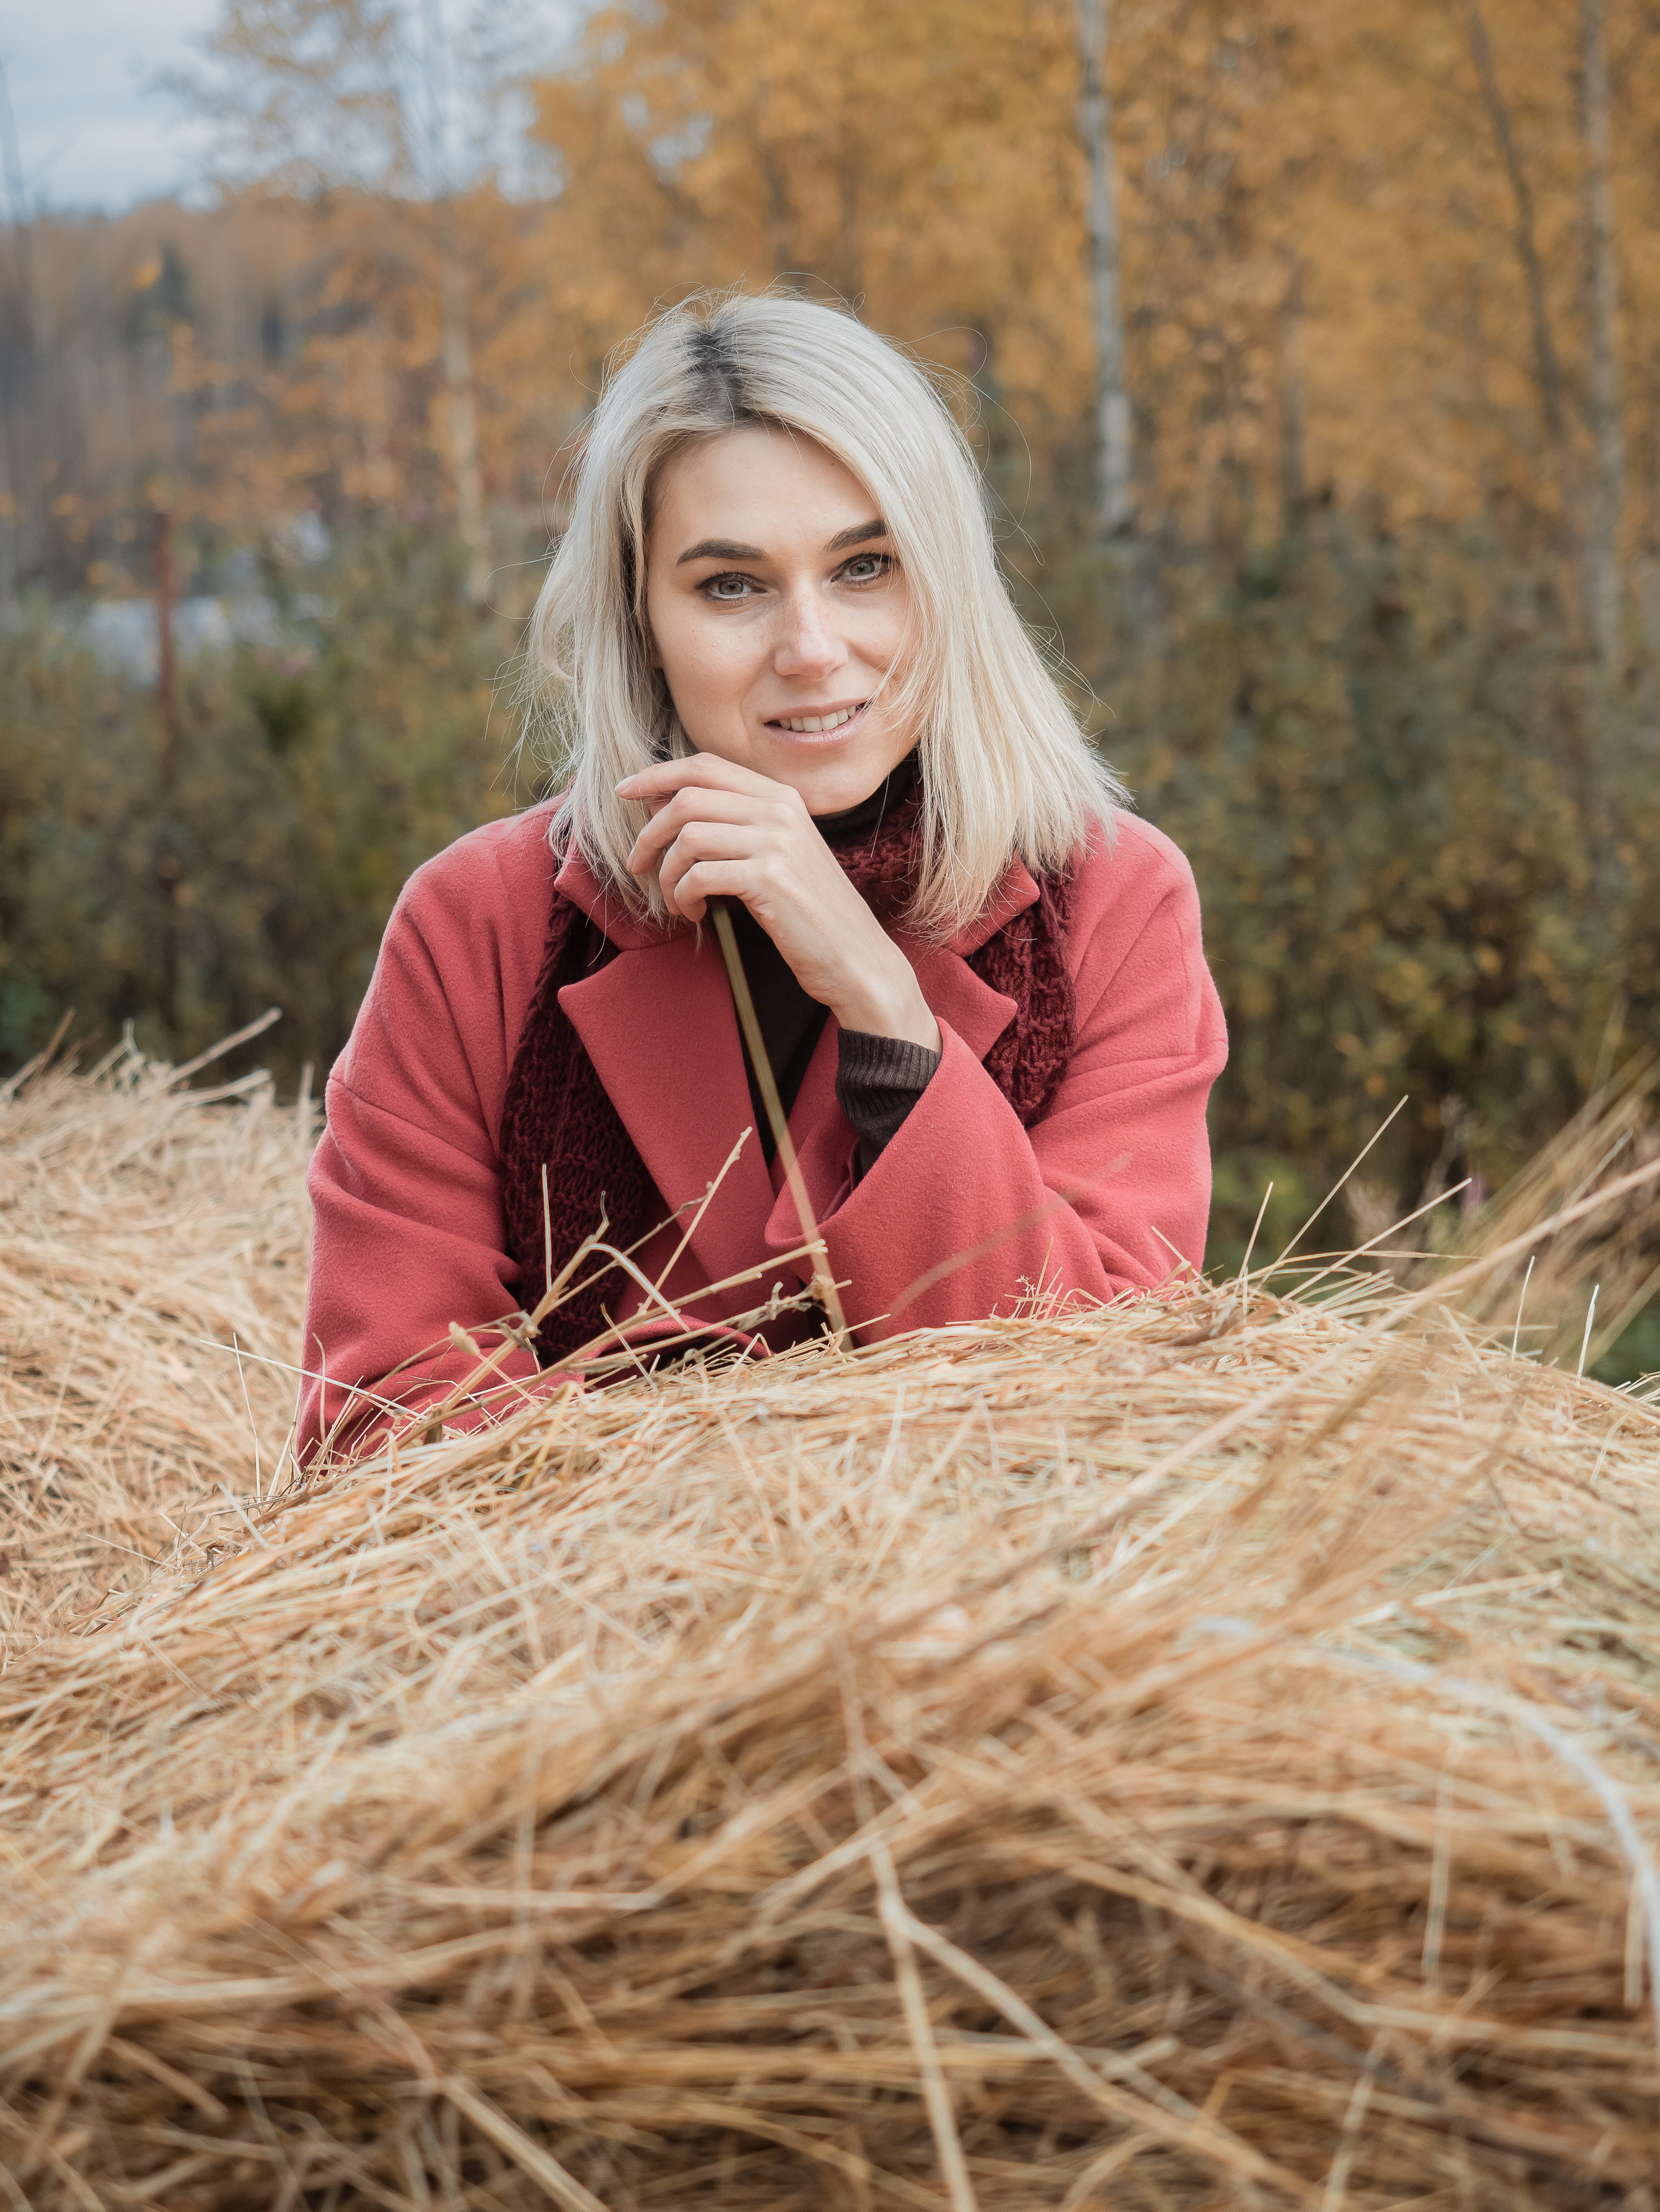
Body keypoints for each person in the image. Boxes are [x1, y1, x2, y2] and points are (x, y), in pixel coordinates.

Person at [296, 291, 1227, 1466]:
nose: (812, 649)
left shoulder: (1113, 901)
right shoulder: (477, 922)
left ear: (947, 582)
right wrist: (734, 1551)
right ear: (639, 617)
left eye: (866, 566)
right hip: (596, 1631)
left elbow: (1106, 1393)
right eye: (730, 585)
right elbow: (384, 1409)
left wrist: (888, 1015)